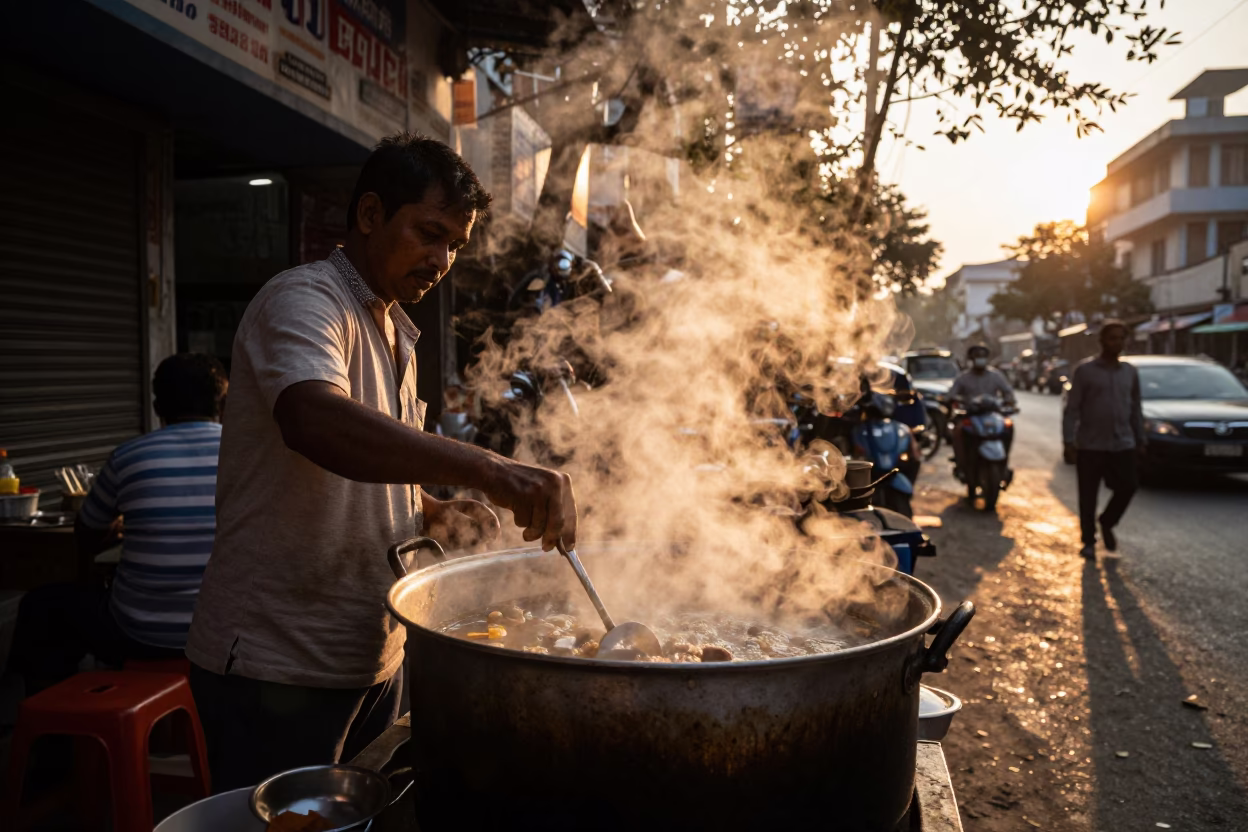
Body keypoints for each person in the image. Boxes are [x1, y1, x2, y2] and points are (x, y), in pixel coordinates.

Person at [185, 133, 579, 793]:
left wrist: (435, 512)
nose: (442, 258)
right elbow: (315, 422)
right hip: (277, 663)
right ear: (370, 215)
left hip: (373, 657)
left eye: (455, 243)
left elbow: (367, 474)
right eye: (428, 233)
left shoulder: (396, 332)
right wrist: (492, 469)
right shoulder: (305, 300)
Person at [5, 353, 227, 695]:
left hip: (139, 633)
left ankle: (53, 733)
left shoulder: (129, 456)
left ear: (157, 405)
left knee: (43, 606)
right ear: (223, 402)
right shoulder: (244, 457)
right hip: (227, 634)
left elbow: (87, 532)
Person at [1062, 320, 1144, 559]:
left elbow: (1135, 407)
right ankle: (1088, 540)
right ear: (1102, 341)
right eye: (1112, 338)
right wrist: (1068, 442)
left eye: (1121, 338)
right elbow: (1073, 409)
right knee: (1088, 495)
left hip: (1123, 443)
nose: (1117, 343)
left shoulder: (1130, 372)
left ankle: (1107, 522)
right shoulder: (1085, 371)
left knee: (1128, 487)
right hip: (1090, 444)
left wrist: (1141, 438)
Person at [948, 344, 1016, 477]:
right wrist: (953, 400)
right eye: (977, 357)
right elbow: (952, 394)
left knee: (1009, 428)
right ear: (971, 360)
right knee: (958, 430)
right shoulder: (963, 378)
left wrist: (1009, 401)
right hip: (971, 415)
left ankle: (1004, 463)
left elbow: (1008, 392)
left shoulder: (996, 376)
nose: (980, 360)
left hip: (992, 415)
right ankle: (961, 461)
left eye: (982, 357)